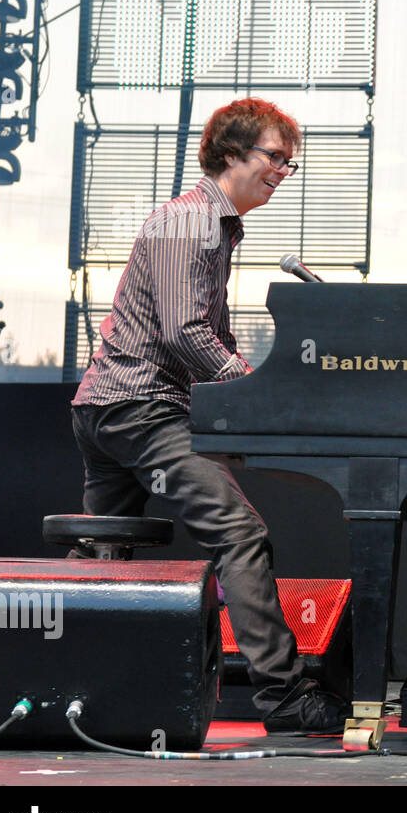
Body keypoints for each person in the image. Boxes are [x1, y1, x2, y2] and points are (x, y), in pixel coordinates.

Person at [70, 97, 348, 734]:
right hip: (142, 406)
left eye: (290, 162)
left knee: (105, 553)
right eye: (275, 157)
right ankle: (283, 698)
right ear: (231, 153)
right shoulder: (187, 221)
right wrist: (247, 387)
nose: (284, 169)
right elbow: (184, 333)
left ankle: (78, 683)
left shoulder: (209, 225)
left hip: (114, 405)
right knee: (240, 534)